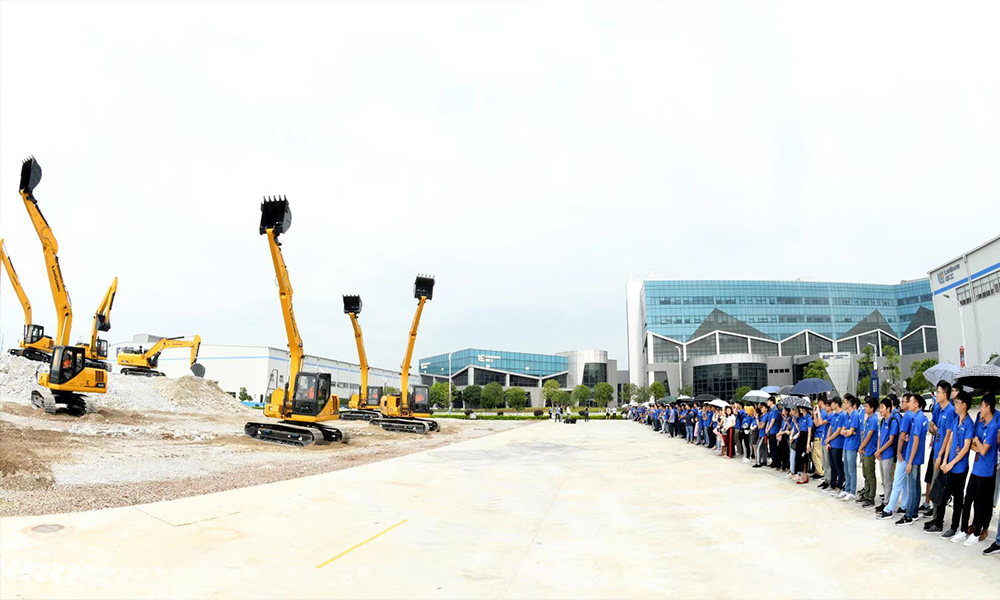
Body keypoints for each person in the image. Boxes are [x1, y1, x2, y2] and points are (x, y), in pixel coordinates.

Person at [934, 390, 976, 540]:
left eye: (957, 403)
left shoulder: (969, 424)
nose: (955, 405)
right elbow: (950, 440)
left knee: (958, 499)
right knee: (943, 495)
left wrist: (951, 464)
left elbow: (965, 448)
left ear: (964, 405)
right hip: (949, 465)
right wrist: (945, 460)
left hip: (959, 468)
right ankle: (938, 523)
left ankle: (954, 527)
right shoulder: (956, 420)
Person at [959, 392, 997, 546]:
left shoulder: (994, 425)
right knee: (968, 498)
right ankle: (965, 529)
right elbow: (974, 446)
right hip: (976, 468)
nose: (980, 409)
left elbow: (983, 450)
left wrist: (978, 443)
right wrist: (978, 444)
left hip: (987, 470)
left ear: (988, 407)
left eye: (981, 406)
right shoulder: (981, 423)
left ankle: (979, 531)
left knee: (982, 502)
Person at [879, 394, 915, 520]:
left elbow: (901, 437)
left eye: (906, 401)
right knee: (904, 483)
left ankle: (889, 509)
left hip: (903, 454)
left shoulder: (906, 417)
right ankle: (904, 505)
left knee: (897, 483)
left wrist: (899, 452)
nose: (903, 404)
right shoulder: (913, 416)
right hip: (907, 453)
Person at [927, 381, 955, 519]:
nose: (936, 395)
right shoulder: (940, 409)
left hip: (942, 455)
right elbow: (936, 428)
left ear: (945, 394)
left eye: (938, 392)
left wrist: (940, 456)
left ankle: (937, 520)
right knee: (934, 485)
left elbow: (948, 437)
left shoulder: (950, 411)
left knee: (937, 487)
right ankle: (935, 517)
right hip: (936, 451)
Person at [875, 398, 899, 514]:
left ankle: (888, 502)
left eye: (882, 407)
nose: (880, 410)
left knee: (888, 479)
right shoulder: (882, 421)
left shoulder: (892, 421)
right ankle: (886, 499)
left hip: (888, 454)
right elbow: (880, 437)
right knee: (884, 479)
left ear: (888, 409)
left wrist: (880, 450)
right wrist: (878, 450)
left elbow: (891, 440)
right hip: (881, 454)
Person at [858, 396, 880, 507]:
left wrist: (861, 447)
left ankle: (871, 497)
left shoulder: (874, 420)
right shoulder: (869, 419)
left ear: (872, 408)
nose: (865, 408)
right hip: (866, 450)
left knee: (870, 475)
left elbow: (869, 436)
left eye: (866, 406)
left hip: (870, 450)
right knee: (865, 474)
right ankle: (866, 494)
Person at [826, 397, 845, 494]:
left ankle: (839, 485)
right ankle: (832, 484)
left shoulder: (842, 415)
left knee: (838, 466)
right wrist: (828, 441)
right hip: (831, 444)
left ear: (836, 404)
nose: (831, 405)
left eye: (832, 403)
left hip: (838, 444)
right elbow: (830, 428)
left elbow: (838, 431)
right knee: (832, 465)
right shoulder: (833, 415)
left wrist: (829, 439)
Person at [813, 398, 828, 482]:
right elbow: (816, 422)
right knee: (818, 455)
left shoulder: (823, 412)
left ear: (821, 402)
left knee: (816, 455)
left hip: (819, 435)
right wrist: (815, 414)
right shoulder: (821, 412)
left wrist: (817, 412)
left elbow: (818, 423)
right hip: (818, 435)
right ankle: (818, 471)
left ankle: (820, 472)